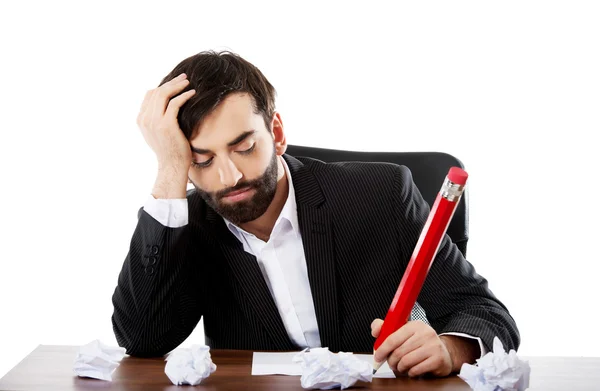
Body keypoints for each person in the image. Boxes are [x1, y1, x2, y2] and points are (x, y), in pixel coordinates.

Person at [111, 50, 519, 378]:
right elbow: (144, 338)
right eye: (200, 160)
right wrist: (168, 172)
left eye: (244, 147)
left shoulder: (383, 194)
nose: (229, 176)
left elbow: (487, 314)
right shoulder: (189, 226)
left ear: (277, 133)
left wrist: (450, 348)